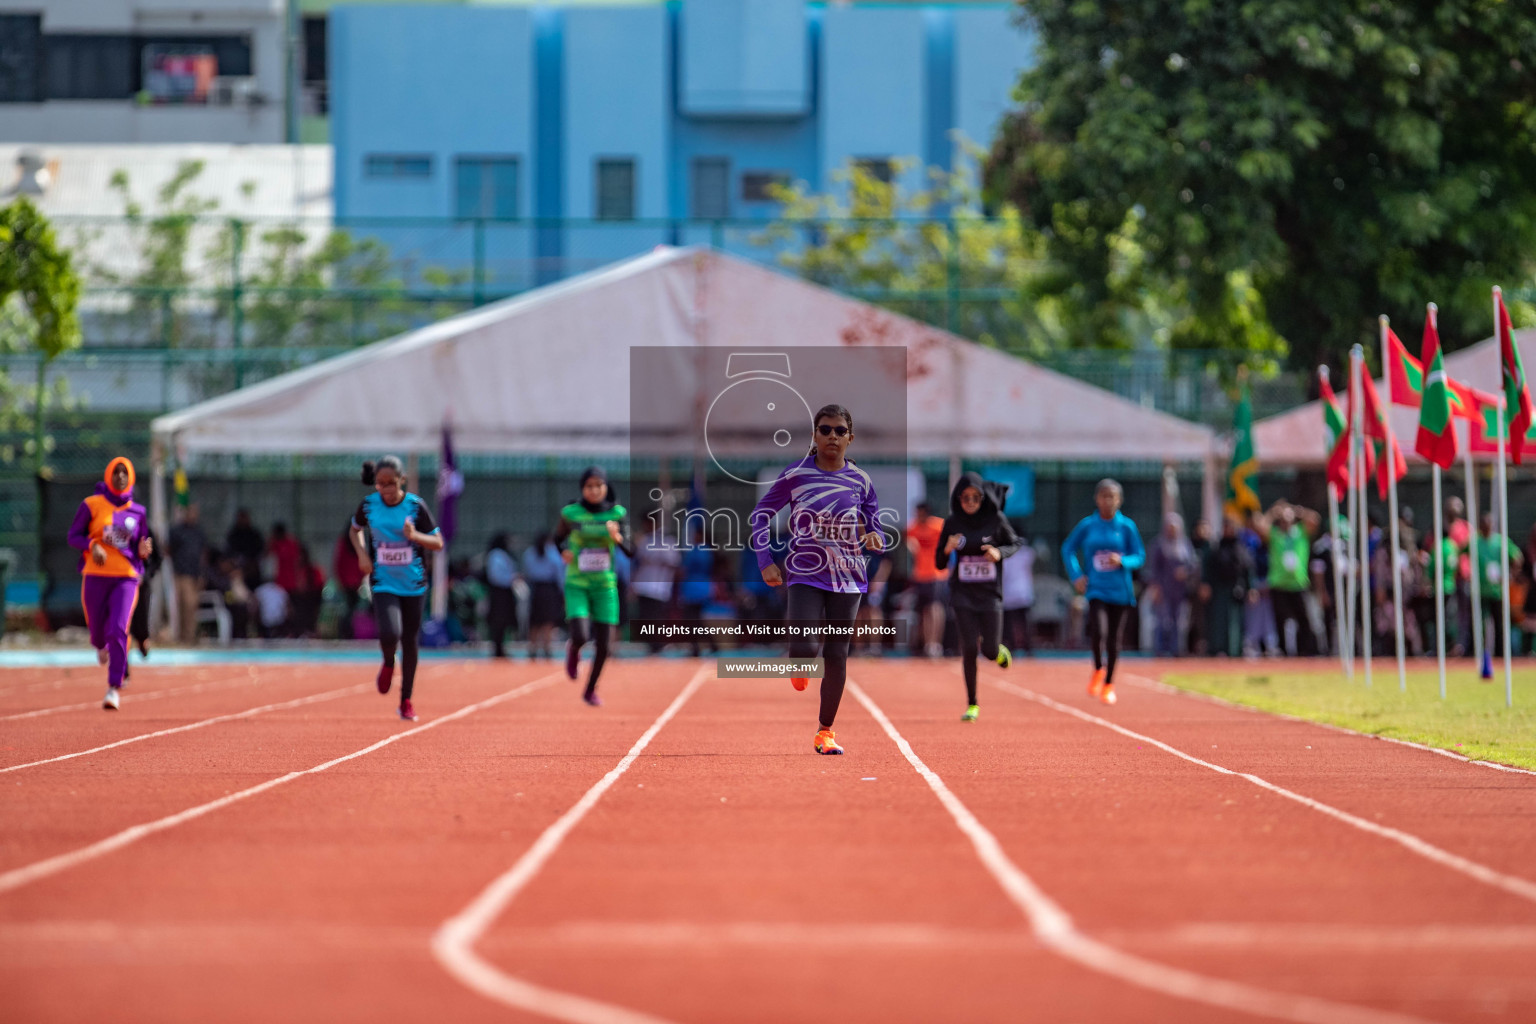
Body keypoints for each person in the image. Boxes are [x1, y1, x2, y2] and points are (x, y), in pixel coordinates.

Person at [751, 404, 882, 755]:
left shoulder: (861, 480)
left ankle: (825, 731)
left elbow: (875, 524)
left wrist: (874, 536)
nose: (832, 436)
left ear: (850, 438)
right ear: (814, 434)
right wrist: (766, 562)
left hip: (849, 578)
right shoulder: (795, 475)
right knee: (806, 649)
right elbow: (760, 515)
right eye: (825, 429)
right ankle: (799, 662)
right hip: (806, 575)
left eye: (840, 431)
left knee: (837, 653)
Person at [350, 455, 444, 721]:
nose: (386, 490)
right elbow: (354, 529)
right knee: (391, 632)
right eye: (380, 484)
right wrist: (362, 554)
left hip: (413, 583)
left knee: (410, 642)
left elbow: (438, 542)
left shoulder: (415, 506)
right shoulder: (369, 506)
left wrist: (414, 536)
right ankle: (389, 662)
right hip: (383, 581)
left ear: (401, 480)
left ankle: (406, 701)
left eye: (390, 484)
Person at [67, 457, 154, 710]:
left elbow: (141, 546)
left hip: (126, 577)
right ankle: (100, 645)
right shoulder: (91, 505)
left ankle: (114, 686)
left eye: (124, 472)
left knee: (118, 628)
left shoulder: (138, 512)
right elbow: (74, 536)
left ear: (131, 478)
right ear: (107, 476)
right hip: (95, 575)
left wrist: (143, 550)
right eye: (115, 472)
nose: (120, 477)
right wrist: (92, 546)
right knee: (97, 632)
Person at [936, 472, 1019, 721]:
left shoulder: (995, 520)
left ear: (982, 499)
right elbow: (939, 563)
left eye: (975, 498)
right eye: (965, 498)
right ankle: (972, 703)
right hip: (963, 594)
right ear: (958, 499)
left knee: (990, 651)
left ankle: (999, 652)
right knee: (970, 648)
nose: (970, 502)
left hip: (990, 594)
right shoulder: (951, 523)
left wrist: (999, 552)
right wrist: (947, 548)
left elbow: (1015, 543)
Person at [1061, 479, 1145, 706]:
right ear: (1097, 499)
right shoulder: (1088, 525)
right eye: (1104, 496)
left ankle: (1109, 684)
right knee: (1099, 631)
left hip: (1121, 591)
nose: (1108, 501)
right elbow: (1068, 548)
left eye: (1112, 497)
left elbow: (1140, 556)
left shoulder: (1127, 527)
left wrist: (1123, 560)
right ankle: (1098, 668)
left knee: (1114, 640)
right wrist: (1076, 575)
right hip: (1096, 588)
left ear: (1119, 500)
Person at [556, 466, 633, 706]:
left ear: (606, 487)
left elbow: (631, 551)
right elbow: (557, 539)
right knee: (580, 634)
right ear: (582, 489)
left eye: (599, 485)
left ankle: (590, 690)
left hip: (605, 585)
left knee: (605, 645)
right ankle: (574, 648)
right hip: (577, 582)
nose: (594, 490)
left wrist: (617, 538)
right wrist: (564, 551)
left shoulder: (618, 513)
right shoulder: (571, 513)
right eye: (589, 486)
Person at [1253, 500, 1321, 656]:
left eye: (1288, 519)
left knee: (1304, 620)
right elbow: (1259, 526)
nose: (1286, 523)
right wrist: (1273, 512)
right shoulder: (1276, 535)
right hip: (1279, 584)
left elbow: (1315, 519)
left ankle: (1307, 652)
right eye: (1283, 520)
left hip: (1298, 584)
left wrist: (1297, 510)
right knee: (1280, 621)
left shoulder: (1300, 532)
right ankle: (1284, 653)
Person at [1470, 512, 1523, 658]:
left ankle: (1501, 654)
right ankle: (1477, 652)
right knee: (1479, 624)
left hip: (1497, 591)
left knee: (1499, 624)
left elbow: (1517, 557)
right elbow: (1461, 553)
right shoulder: (1474, 542)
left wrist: (1511, 574)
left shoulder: (1500, 542)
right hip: (1480, 590)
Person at [1146, 512, 1198, 658]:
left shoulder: (1185, 545)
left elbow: (1193, 564)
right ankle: (1160, 650)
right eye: (1169, 527)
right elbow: (1153, 568)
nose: (1172, 530)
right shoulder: (1159, 544)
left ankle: (1177, 650)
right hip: (1163, 589)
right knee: (1163, 621)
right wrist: (1155, 587)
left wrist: (1185, 572)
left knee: (1179, 621)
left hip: (1180, 590)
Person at [1203, 517, 1252, 657]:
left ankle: (1235, 651)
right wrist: (1205, 584)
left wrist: (1250, 588)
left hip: (1236, 591)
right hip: (1219, 590)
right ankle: (1217, 649)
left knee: (1236, 623)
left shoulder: (1241, 548)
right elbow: (1208, 568)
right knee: (1218, 621)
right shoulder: (1216, 548)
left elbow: (1247, 570)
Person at [905, 501, 949, 656]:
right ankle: (926, 644)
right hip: (920, 574)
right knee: (923, 610)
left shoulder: (938, 525)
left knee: (935, 607)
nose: (918, 516)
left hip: (937, 573)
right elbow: (911, 545)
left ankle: (935, 643)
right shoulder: (913, 528)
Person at [632, 517, 680, 654]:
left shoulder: (667, 541)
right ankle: (651, 645)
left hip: (659, 587)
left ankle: (659, 644)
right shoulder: (644, 541)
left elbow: (674, 562)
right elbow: (638, 561)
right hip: (643, 586)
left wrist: (658, 558)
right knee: (645, 617)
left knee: (657, 617)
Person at [168, 502, 207, 645]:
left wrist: (202, 574)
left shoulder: (199, 532)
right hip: (181, 573)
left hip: (194, 574)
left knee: (191, 606)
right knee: (181, 606)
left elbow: (203, 554)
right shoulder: (177, 531)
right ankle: (180, 637)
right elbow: (169, 550)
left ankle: (189, 637)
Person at [522, 533, 565, 659]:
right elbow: (559, 573)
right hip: (549, 590)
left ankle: (533, 648)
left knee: (535, 621)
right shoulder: (552, 552)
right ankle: (546, 648)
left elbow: (527, 571)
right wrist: (563, 592)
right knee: (548, 621)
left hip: (536, 589)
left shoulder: (530, 553)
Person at [678, 524, 718, 657]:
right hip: (700, 588)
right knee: (695, 620)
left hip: (695, 590)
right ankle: (704, 645)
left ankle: (699, 647)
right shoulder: (706, 551)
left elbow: (686, 569)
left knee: (693, 620)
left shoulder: (698, 551)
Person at [485, 533, 519, 658]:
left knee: (505, 622)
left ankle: (502, 647)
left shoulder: (504, 555)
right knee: (498, 621)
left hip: (505, 593)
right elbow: (496, 576)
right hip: (499, 593)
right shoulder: (496, 555)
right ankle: (497, 648)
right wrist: (512, 578)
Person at [1001, 537, 1035, 656]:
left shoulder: (1007, 554)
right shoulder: (1026, 553)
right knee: (1022, 623)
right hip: (1020, 594)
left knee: (1011, 624)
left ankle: (1013, 647)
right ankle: (1026, 648)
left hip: (1013, 594)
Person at [332, 527, 366, 639]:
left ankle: (347, 631)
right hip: (351, 582)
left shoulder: (353, 543)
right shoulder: (350, 543)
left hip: (350, 582)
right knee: (348, 609)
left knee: (350, 609)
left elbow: (339, 562)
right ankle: (345, 631)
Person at [226, 508, 265, 589]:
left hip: (252, 568)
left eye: (244, 518)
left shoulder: (254, 534)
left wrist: (251, 564)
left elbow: (260, 550)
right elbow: (229, 552)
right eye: (241, 518)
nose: (243, 520)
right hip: (237, 568)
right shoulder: (233, 534)